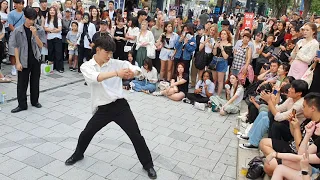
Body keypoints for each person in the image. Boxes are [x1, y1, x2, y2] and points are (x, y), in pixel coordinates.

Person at [64, 37, 157, 179]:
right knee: (86, 133)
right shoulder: (87, 66)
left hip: (120, 106)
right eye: (106, 52)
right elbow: (97, 77)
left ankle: (148, 165)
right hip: (102, 109)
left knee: (136, 136)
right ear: (98, 50)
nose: (109, 56)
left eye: (111, 53)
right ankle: (78, 154)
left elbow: (132, 67)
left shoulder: (115, 63)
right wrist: (116, 74)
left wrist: (134, 72)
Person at [239, 80, 309, 150]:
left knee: (267, 118)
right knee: (264, 113)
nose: (289, 89)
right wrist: (272, 98)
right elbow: (277, 108)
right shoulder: (291, 99)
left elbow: (278, 117)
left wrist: (269, 100)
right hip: (286, 121)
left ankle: (254, 143)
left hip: (293, 130)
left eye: (292, 88)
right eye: (290, 87)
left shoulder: (299, 105)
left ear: (299, 93)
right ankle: (250, 135)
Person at [10, 7, 46, 113]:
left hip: (35, 59)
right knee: (22, 83)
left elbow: (41, 45)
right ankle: (22, 104)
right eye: (29, 19)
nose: (31, 21)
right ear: (25, 17)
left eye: (33, 19)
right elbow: (15, 47)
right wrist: (17, 62)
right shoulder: (18, 30)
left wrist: (35, 35)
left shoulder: (39, 29)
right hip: (23, 59)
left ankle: (35, 101)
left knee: (35, 82)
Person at [210, 29, 233, 96]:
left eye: (224, 34)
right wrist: (215, 47)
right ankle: (211, 93)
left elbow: (226, 57)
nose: (222, 35)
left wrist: (222, 48)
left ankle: (218, 95)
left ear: (227, 36)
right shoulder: (218, 42)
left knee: (220, 81)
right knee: (214, 79)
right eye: (222, 34)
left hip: (222, 62)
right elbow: (214, 53)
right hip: (214, 60)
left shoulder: (229, 45)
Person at [8, 0, 25, 76]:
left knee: (22, 50)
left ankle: (21, 65)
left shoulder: (25, 13)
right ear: (15, 4)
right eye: (18, 3)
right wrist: (17, 32)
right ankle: (13, 67)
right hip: (14, 34)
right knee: (12, 51)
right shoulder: (11, 13)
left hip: (24, 34)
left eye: (22, 4)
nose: (20, 5)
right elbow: (10, 25)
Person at [44, 7, 63, 73]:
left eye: (53, 10)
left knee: (58, 53)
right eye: (50, 10)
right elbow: (45, 28)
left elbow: (59, 29)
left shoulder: (58, 19)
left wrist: (51, 30)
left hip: (57, 38)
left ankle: (59, 67)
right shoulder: (47, 19)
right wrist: (53, 30)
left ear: (55, 12)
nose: (52, 11)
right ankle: (52, 67)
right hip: (50, 38)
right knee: (51, 53)